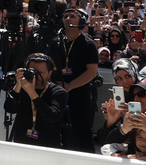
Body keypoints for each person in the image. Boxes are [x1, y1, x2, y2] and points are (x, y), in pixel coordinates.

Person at [48, 8, 99, 151]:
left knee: (82, 132)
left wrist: (70, 86)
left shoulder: (88, 44)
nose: (68, 19)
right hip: (58, 92)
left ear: (81, 21)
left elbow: (92, 72)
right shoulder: (56, 42)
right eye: (65, 16)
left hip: (80, 94)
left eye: (72, 16)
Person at [7, 53, 68, 147]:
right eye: (33, 71)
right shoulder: (23, 87)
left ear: (50, 73)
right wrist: (18, 85)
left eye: (41, 72)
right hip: (22, 143)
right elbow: (9, 109)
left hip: (47, 145)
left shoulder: (58, 92)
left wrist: (32, 93)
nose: (37, 76)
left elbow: (52, 116)